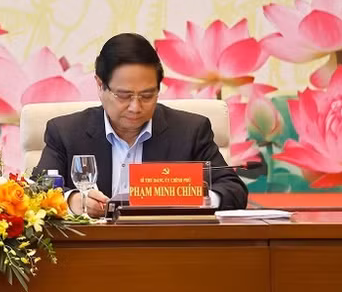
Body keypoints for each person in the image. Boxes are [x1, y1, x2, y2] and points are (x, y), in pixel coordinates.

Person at [35, 33, 247, 217]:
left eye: (147, 95)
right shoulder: (66, 132)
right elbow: (37, 190)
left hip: (167, 248)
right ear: (100, 86)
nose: (135, 107)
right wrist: (72, 201)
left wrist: (197, 198)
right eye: (124, 95)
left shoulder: (190, 131)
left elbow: (233, 190)